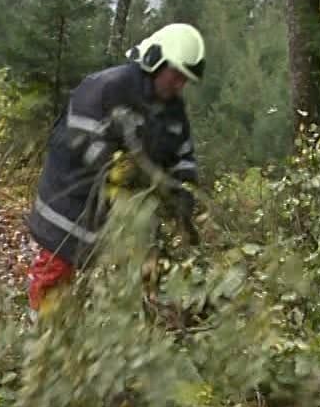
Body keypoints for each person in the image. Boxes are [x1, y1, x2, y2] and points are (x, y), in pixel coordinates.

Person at [23, 23, 204, 311]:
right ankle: (39, 337)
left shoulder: (173, 112)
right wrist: (116, 167)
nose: (179, 85)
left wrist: (183, 193)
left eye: (185, 80)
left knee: (109, 291)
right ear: (157, 61)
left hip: (116, 221)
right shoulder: (109, 86)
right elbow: (80, 137)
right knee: (55, 275)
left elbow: (183, 157)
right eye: (177, 76)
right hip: (70, 203)